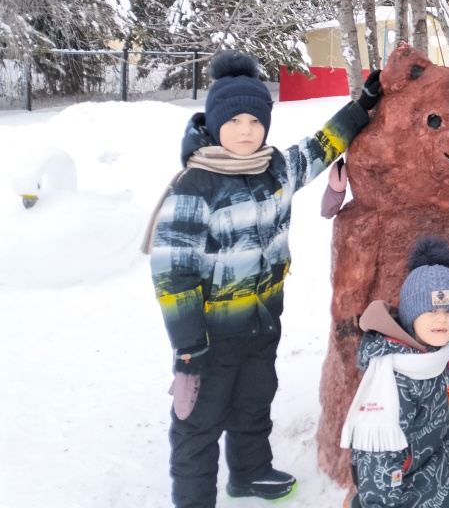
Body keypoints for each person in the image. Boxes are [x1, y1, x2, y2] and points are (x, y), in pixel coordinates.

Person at [150, 52, 381, 508]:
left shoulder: (276, 168)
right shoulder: (195, 186)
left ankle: (250, 472)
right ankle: (193, 498)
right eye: (233, 120)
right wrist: (189, 348)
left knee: (254, 403)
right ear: (215, 124)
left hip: (261, 323)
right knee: (198, 422)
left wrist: (364, 106)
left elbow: (321, 146)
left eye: (255, 121)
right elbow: (172, 275)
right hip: (209, 338)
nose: (245, 131)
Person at [341, 237, 449, 508]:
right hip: (396, 473)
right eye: (431, 310)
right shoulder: (395, 379)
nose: (441, 319)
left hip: (430, 447)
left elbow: (439, 398)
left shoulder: (434, 355)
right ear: (412, 315)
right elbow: (377, 457)